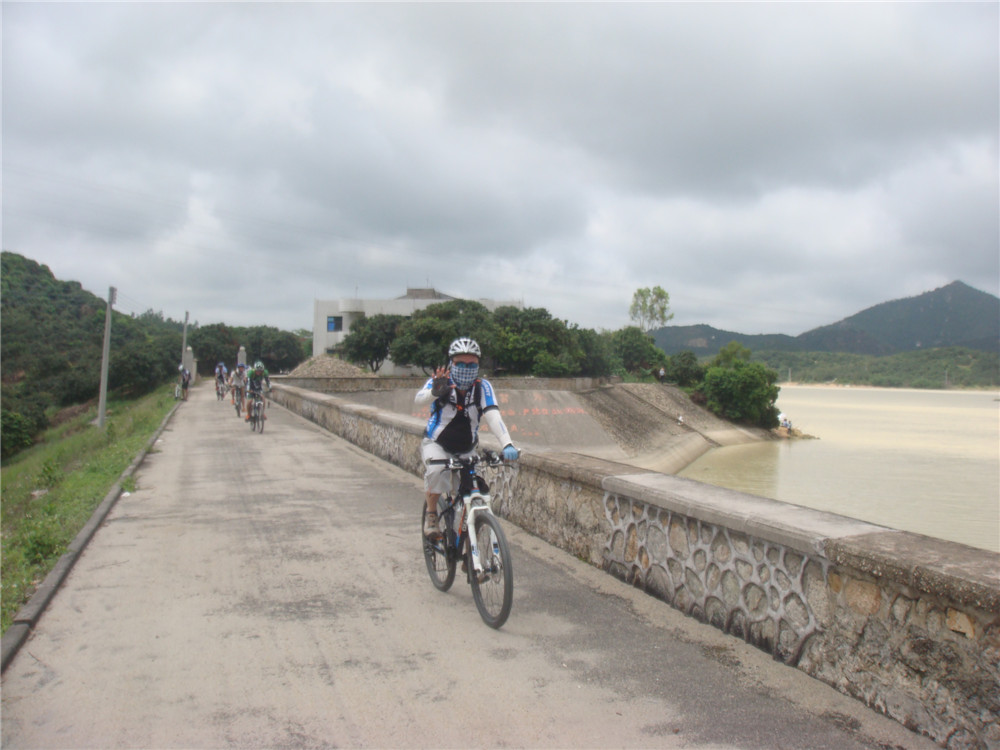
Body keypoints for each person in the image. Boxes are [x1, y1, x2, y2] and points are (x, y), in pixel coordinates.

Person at [415, 337, 519, 538]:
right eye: (460, 364)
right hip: (437, 443)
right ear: (451, 363)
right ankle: (431, 514)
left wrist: (507, 443)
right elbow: (418, 399)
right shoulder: (441, 380)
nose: (466, 369)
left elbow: (493, 415)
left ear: (478, 366)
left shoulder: (482, 387)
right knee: (436, 472)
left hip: (466, 447)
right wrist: (434, 392)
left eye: (471, 365)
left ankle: (468, 544)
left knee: (471, 491)